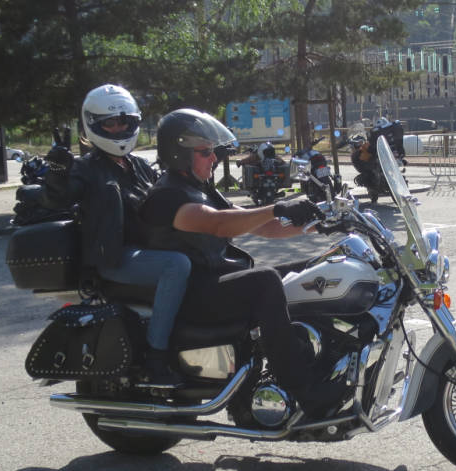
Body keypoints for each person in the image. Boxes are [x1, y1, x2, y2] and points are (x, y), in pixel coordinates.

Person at [140, 108, 342, 415]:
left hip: (214, 281)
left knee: (309, 270)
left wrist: (320, 223)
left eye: (213, 151)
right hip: (192, 293)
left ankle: (322, 360)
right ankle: (304, 388)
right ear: (179, 154)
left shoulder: (200, 189)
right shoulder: (167, 196)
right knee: (265, 281)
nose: (214, 158)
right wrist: (277, 207)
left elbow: (264, 227)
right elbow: (219, 224)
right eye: (205, 152)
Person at [41, 84, 191, 386]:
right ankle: (156, 357)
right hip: (115, 256)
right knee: (176, 266)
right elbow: (56, 199)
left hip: (146, 248)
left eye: (124, 122)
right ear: (93, 125)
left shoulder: (138, 165)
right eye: (110, 123)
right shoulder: (86, 168)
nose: (119, 128)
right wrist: (57, 172)